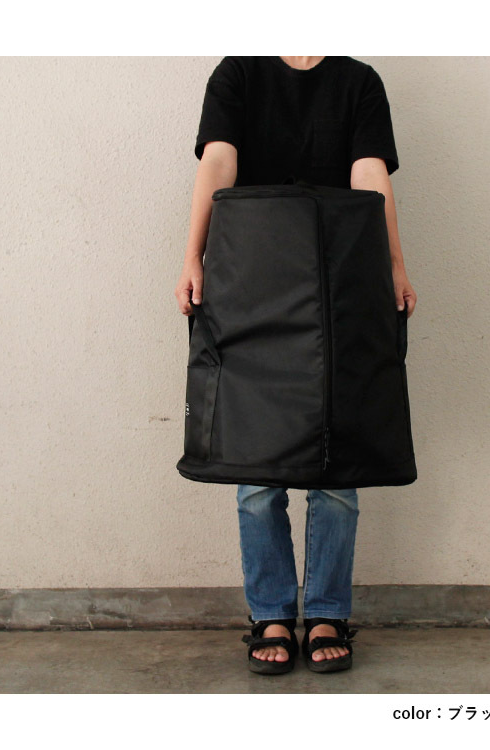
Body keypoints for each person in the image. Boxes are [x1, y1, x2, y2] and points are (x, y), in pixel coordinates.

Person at [175, 56, 417, 672]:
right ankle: (272, 613)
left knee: (340, 463)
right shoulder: (237, 74)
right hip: (252, 276)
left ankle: (328, 611)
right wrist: (193, 255)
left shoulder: (359, 82)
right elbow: (219, 163)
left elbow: (369, 179)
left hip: (342, 278)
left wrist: (393, 265)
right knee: (257, 466)